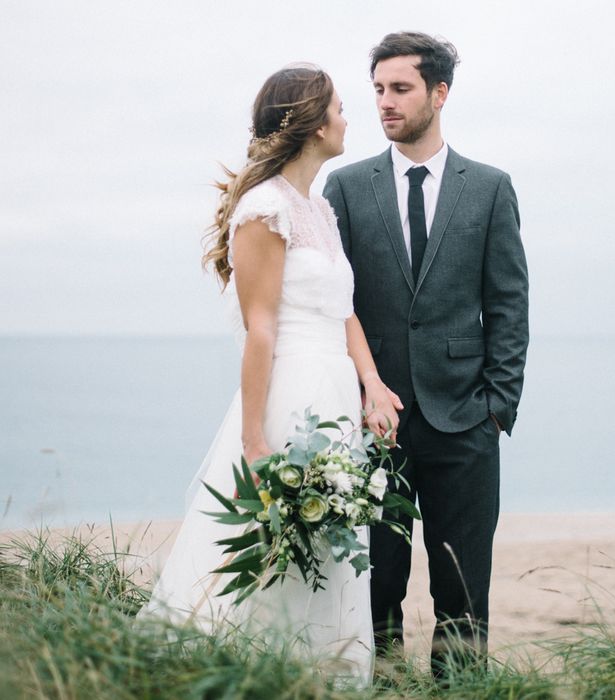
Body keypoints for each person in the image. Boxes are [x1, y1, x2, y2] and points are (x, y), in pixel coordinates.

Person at [139, 65, 401, 685]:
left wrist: (372, 383)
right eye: (339, 107)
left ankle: (318, 677)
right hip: (289, 396)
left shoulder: (319, 209)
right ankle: (243, 676)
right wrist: (255, 440)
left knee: (329, 545)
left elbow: (343, 310)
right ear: (312, 124)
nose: (348, 117)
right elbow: (261, 329)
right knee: (272, 547)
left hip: (334, 398)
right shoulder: (263, 209)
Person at [323, 32, 529, 672]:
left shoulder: (490, 188)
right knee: (374, 588)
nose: (385, 102)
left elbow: (509, 304)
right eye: (379, 90)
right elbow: (334, 302)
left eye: (401, 89)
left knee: (462, 592)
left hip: (465, 421)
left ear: (439, 94)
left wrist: (497, 405)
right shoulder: (347, 186)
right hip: (372, 423)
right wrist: (355, 395)